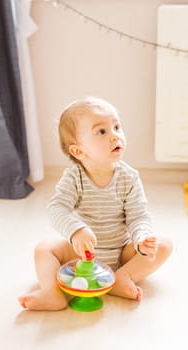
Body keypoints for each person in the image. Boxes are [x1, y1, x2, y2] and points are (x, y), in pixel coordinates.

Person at [19, 97, 172, 311]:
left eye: (117, 127)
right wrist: (76, 231)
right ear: (79, 151)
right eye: (102, 132)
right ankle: (53, 293)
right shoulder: (74, 177)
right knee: (44, 249)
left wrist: (141, 239)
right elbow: (57, 207)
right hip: (81, 254)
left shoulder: (129, 177)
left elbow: (138, 216)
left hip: (121, 251)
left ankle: (122, 277)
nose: (115, 136)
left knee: (164, 245)